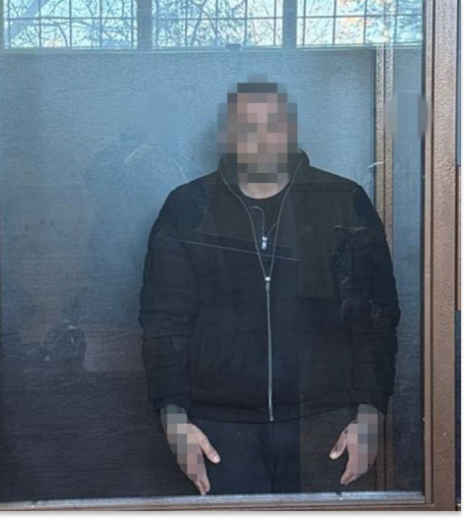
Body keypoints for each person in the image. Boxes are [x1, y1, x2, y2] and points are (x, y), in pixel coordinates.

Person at [139, 82, 400, 495]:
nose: (261, 138)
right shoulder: (188, 206)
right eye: (247, 126)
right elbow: (163, 322)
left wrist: (370, 414)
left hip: (326, 419)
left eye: (273, 125)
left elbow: (374, 316)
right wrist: (173, 419)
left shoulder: (341, 199)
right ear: (227, 136)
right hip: (218, 425)